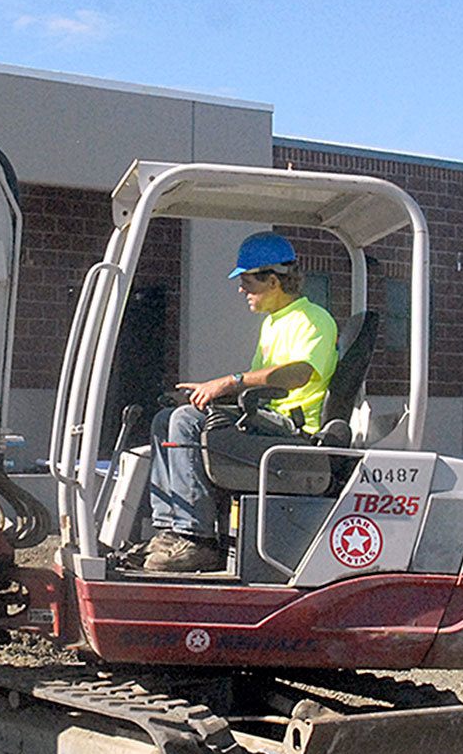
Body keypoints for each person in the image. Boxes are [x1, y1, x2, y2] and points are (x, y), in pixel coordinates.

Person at [143, 232, 338, 572]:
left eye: (247, 281)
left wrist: (227, 383)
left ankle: (197, 539)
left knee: (186, 422)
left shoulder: (312, 320)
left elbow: (299, 373)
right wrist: (209, 392)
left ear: (273, 280)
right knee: (167, 418)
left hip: (294, 431)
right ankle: (169, 528)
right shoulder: (274, 324)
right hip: (265, 420)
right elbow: (256, 385)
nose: (241, 290)